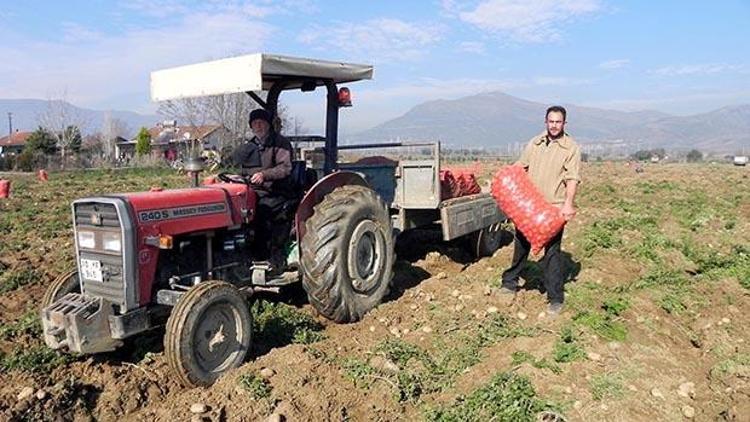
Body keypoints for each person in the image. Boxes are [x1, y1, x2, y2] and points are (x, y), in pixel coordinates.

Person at [499, 105, 581, 316]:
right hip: (529, 206)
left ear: (564, 123)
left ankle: (555, 298)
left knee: (552, 253)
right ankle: (509, 282)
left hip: (552, 209)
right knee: (521, 244)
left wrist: (568, 204)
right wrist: (503, 180)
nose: (554, 125)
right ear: (546, 121)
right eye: (551, 121)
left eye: (558, 122)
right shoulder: (535, 143)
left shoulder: (570, 148)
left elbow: (572, 178)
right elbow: (520, 167)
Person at [231, 108, 294, 275]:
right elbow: (240, 168)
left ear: (267, 124)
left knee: (262, 211)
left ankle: (269, 257)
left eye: (261, 122)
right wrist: (233, 176)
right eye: (254, 123)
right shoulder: (249, 146)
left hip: (276, 191)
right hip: (253, 190)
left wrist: (264, 175)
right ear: (251, 126)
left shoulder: (280, 144)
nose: (258, 126)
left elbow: (285, 168)